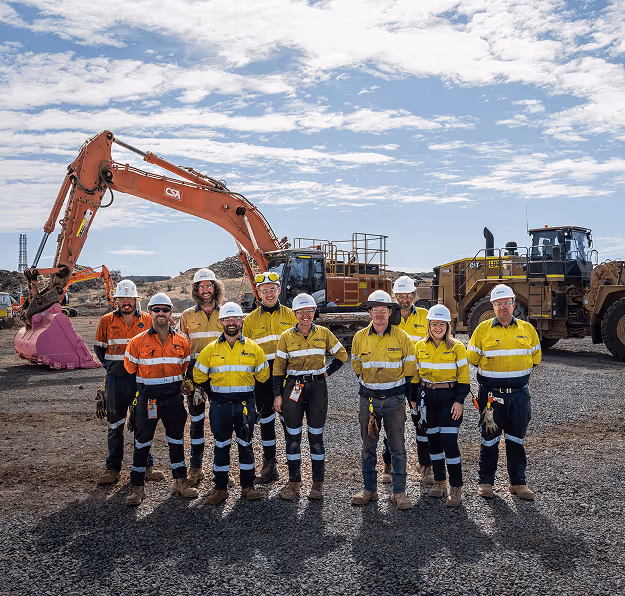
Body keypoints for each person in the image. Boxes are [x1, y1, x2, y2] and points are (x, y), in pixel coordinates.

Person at [468, 284, 541, 500]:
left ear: (513, 304)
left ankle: (518, 483)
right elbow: (472, 359)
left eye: (506, 303)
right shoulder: (482, 330)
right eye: (498, 304)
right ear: (492, 306)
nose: (503, 308)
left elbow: (535, 358)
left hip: (519, 395)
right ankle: (486, 483)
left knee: (516, 439)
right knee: (489, 440)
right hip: (491, 397)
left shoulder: (528, 330)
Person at [123, 293, 198, 506]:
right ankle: (137, 488)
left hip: (173, 399)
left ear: (171, 312)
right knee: (142, 443)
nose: (161, 314)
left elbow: (184, 367)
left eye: (165, 310)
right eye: (156, 310)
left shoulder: (182, 342)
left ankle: (180, 483)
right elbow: (130, 369)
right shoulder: (137, 342)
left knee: (176, 442)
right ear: (150, 312)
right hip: (149, 401)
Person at [272, 293, 348, 500]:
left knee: (316, 437)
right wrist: (277, 396)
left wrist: (327, 372)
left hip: (317, 388)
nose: (306, 315)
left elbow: (342, 355)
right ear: (295, 314)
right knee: (293, 437)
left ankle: (317, 483)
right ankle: (294, 482)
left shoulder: (324, 333)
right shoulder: (286, 337)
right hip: (293, 388)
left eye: (310, 311)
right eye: (301, 312)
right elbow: (278, 368)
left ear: (315, 312)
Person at [194, 302, 270, 504]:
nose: (231, 323)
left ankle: (248, 486)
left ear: (242, 321)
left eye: (235, 319)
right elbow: (198, 376)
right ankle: (220, 489)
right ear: (221, 322)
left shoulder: (254, 349)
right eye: (227, 319)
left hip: (245, 405)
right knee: (221, 446)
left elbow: (264, 376)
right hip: (220, 405)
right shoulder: (210, 350)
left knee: (246, 445)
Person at [350, 290, 417, 510]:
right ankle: (369, 490)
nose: (379, 314)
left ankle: (399, 492)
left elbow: (409, 368)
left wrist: (396, 390)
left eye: (383, 309)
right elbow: (357, 366)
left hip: (394, 400)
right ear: (369, 312)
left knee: (398, 447)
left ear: (390, 311)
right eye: (375, 309)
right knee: (368, 447)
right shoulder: (359, 338)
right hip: (368, 400)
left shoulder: (402, 337)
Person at [94, 279, 164, 484]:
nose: (126, 302)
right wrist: (110, 368)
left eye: (129, 298)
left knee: (143, 423)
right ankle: (113, 468)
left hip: (141, 381)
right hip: (116, 381)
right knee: (115, 424)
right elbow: (99, 348)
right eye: (122, 298)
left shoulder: (148, 320)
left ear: (135, 300)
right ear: (116, 300)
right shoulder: (106, 321)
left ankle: (146, 465)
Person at [410, 304, 470, 507]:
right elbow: (416, 376)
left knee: (449, 442)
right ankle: (440, 482)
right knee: (433, 442)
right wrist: (413, 399)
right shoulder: (419, 346)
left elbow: (464, 379)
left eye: (441, 324)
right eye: (434, 324)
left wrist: (459, 401)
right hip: (427, 399)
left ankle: (456, 486)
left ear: (447, 326)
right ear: (429, 325)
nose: (437, 328)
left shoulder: (457, 347)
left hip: (449, 398)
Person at [242, 272, 297, 484]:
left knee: (289, 420)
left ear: (279, 290)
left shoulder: (291, 315)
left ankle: (294, 469)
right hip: (263, 376)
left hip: (286, 374)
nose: (269, 293)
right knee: (266, 419)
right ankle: (270, 465)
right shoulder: (250, 320)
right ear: (258, 293)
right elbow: (247, 351)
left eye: (272, 289)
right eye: (264, 290)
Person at [380, 275, 433, 486]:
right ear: (395, 296)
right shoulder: (387, 317)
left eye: (407, 295)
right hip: (393, 379)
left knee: (422, 423)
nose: (404, 299)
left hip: (418, 380)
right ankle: (388, 463)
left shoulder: (426, 316)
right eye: (400, 295)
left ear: (414, 295)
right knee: (391, 424)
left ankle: (425, 465)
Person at [177, 268, 224, 485]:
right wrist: (183, 377)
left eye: (209, 285)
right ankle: (195, 469)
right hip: (194, 373)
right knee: (196, 421)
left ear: (215, 288)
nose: (206, 290)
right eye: (201, 286)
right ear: (196, 290)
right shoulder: (187, 316)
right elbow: (179, 348)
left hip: (220, 373)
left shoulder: (225, 314)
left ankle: (222, 470)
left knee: (221, 423)